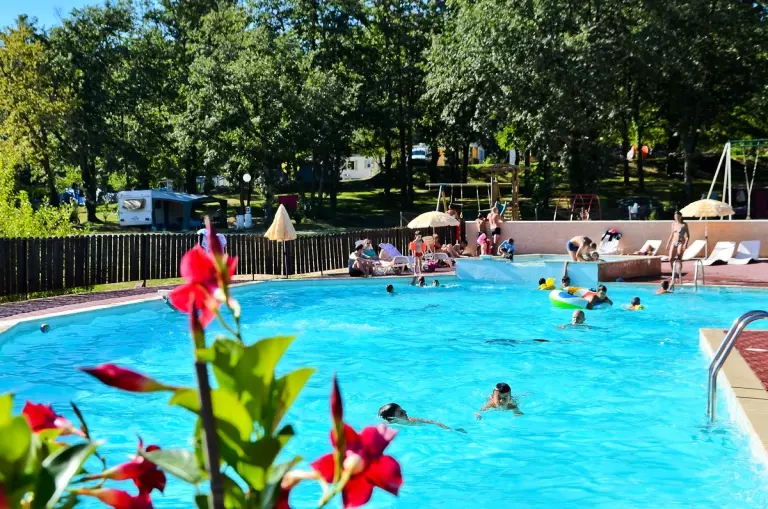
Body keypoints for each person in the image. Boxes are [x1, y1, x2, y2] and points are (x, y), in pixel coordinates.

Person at [378, 403, 458, 431]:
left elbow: (434, 422)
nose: (405, 412)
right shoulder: (386, 427)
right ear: (393, 419)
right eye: (401, 412)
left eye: (403, 410)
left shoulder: (412, 421)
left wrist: (449, 429)